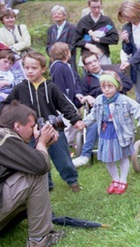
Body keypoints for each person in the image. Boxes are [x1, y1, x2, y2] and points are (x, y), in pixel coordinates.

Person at [0, 52, 85, 192]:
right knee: (39, 160)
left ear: (43, 69)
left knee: (63, 158)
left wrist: (75, 119)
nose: (30, 71)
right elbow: (7, 105)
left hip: (54, 129)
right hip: (31, 133)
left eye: (34, 68)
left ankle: (72, 181)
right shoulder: (20, 88)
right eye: (27, 68)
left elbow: (65, 105)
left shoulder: (50, 87)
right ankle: (47, 186)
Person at [0, 100, 66, 247]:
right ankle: (39, 239)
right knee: (37, 173)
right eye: (32, 126)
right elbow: (40, 165)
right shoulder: (5, 136)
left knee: (32, 168)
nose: (35, 130)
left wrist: (42, 145)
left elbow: (30, 161)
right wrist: (41, 142)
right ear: (17, 126)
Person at [82, 71, 140, 195]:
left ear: (117, 85)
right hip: (105, 132)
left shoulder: (124, 100)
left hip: (120, 133)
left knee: (122, 157)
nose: (106, 90)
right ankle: (115, 179)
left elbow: (138, 109)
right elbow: (93, 114)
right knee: (108, 159)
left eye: (110, 86)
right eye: (103, 86)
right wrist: (84, 123)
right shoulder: (99, 100)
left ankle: (123, 180)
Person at [73, 50, 133, 168]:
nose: (93, 64)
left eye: (95, 61)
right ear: (86, 67)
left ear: (99, 61)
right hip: (99, 111)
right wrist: (87, 97)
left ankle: (121, 150)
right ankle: (85, 155)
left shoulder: (111, 73)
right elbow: (79, 101)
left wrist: (112, 89)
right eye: (90, 63)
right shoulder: (86, 80)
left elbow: (128, 83)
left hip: (116, 108)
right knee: (96, 123)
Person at [49, 42, 83, 147]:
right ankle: (63, 144)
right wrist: (65, 101)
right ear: (66, 52)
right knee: (67, 124)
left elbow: (74, 82)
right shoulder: (57, 67)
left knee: (72, 125)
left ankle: (70, 142)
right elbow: (59, 88)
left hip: (71, 99)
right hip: (63, 102)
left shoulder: (66, 66)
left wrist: (77, 94)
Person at [73, 0, 119, 65]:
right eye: (93, 7)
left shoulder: (107, 22)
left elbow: (115, 39)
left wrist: (98, 40)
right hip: (87, 56)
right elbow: (75, 41)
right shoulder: (83, 22)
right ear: (88, 6)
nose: (96, 10)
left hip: (103, 55)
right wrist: (88, 45)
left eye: (98, 7)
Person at [117, 0, 140, 102]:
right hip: (136, 65)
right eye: (125, 17)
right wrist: (127, 41)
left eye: (128, 16)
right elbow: (126, 50)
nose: (127, 19)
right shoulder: (127, 27)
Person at [46, 5, 78, 71]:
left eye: (59, 13)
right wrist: (52, 54)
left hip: (68, 60)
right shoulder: (51, 29)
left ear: (64, 16)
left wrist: (60, 55)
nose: (56, 15)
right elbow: (48, 44)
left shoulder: (72, 28)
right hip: (53, 61)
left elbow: (72, 45)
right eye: (54, 14)